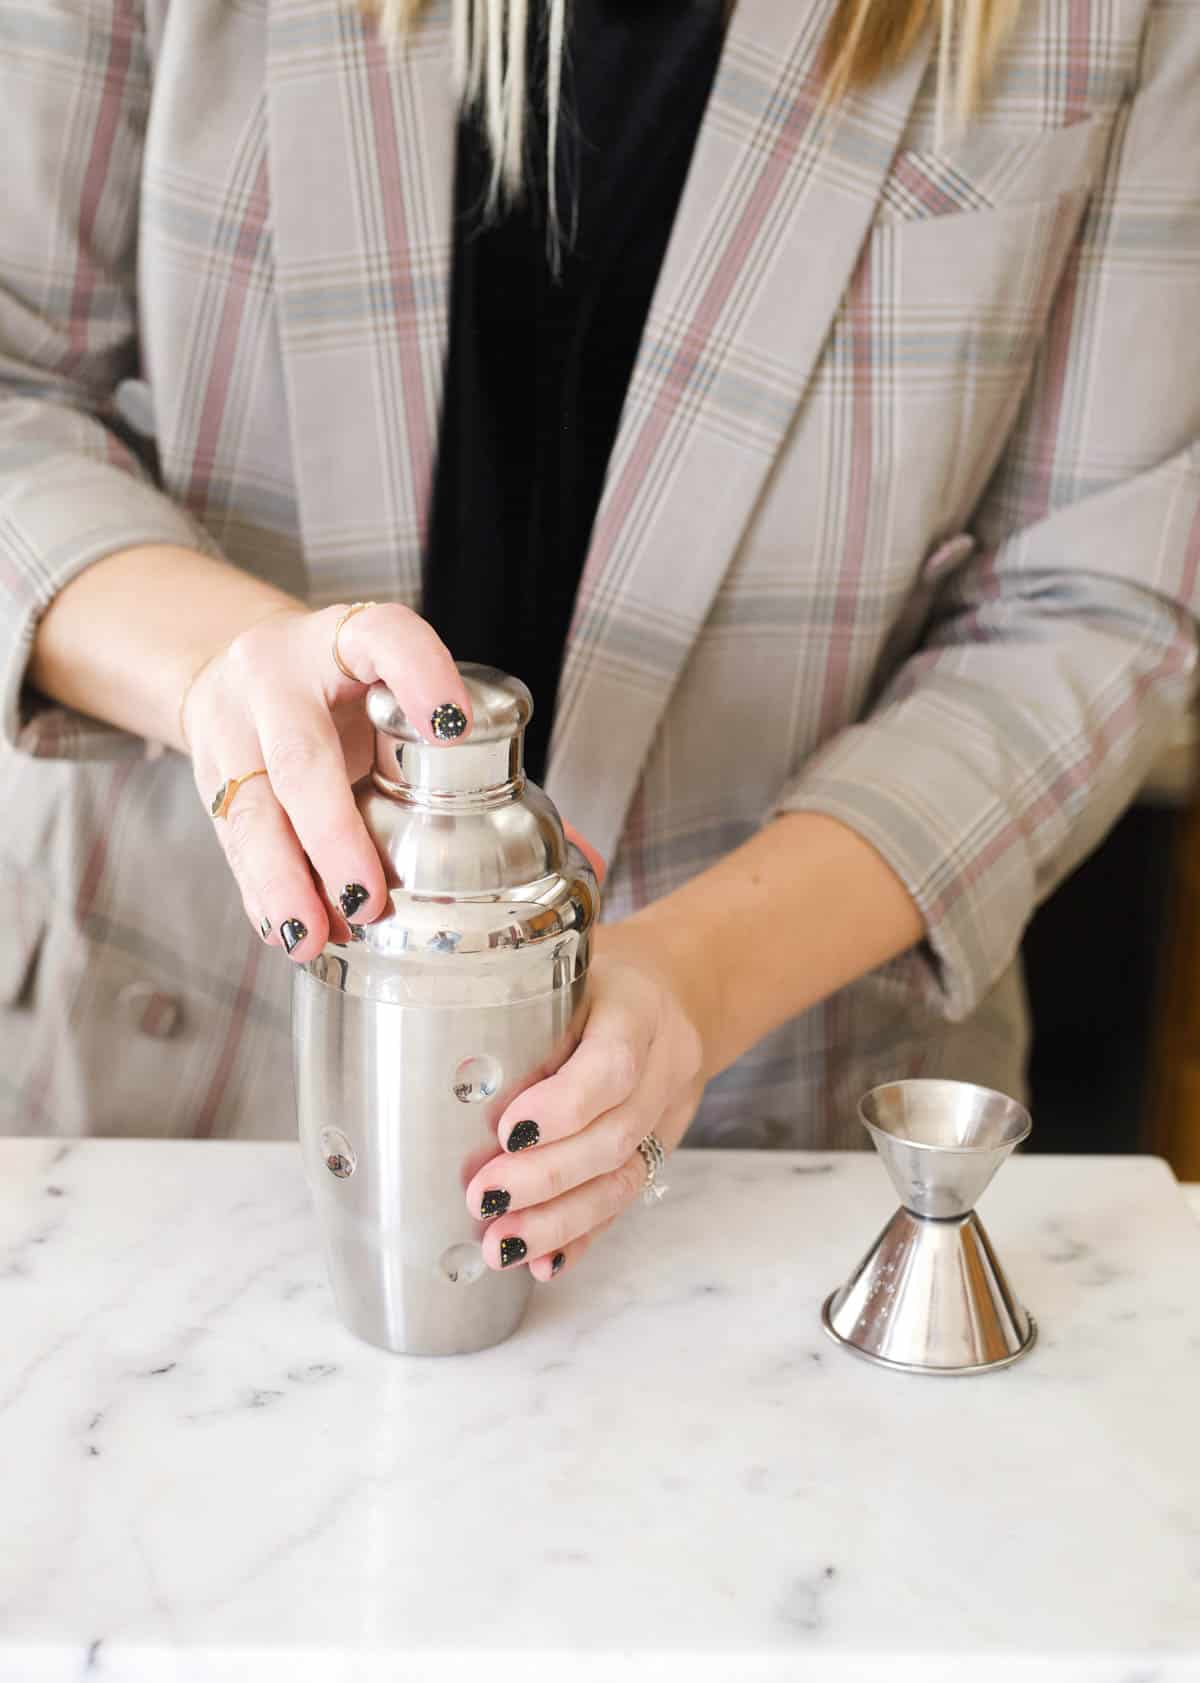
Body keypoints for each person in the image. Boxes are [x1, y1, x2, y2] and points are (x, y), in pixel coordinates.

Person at [2, 0, 1197, 1283]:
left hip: (771, 1123)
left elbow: (1100, 601)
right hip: (164, 1079)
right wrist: (233, 672)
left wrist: (700, 981)